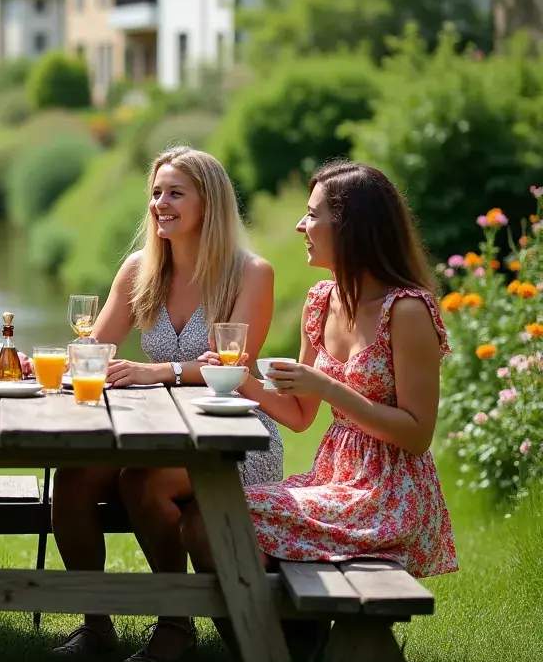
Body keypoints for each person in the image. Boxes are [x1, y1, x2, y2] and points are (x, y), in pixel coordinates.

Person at [50, 146, 283, 662]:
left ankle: (175, 624)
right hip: (159, 433)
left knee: (143, 481)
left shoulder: (251, 273)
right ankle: (96, 622)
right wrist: (54, 363)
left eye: (175, 192)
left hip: (235, 437)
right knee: (73, 477)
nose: (160, 203)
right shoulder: (140, 270)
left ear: (211, 202)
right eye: (156, 193)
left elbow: (234, 365)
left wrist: (162, 371)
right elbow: (98, 346)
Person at [178, 160, 458, 582]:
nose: (299, 226)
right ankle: (280, 639)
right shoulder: (321, 301)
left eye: (312, 215)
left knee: (213, 521)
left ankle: (272, 641)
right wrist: (241, 379)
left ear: (351, 227)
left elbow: (417, 434)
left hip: (388, 496)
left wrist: (327, 386)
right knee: (208, 516)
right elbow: (298, 415)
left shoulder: (407, 310)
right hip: (334, 481)